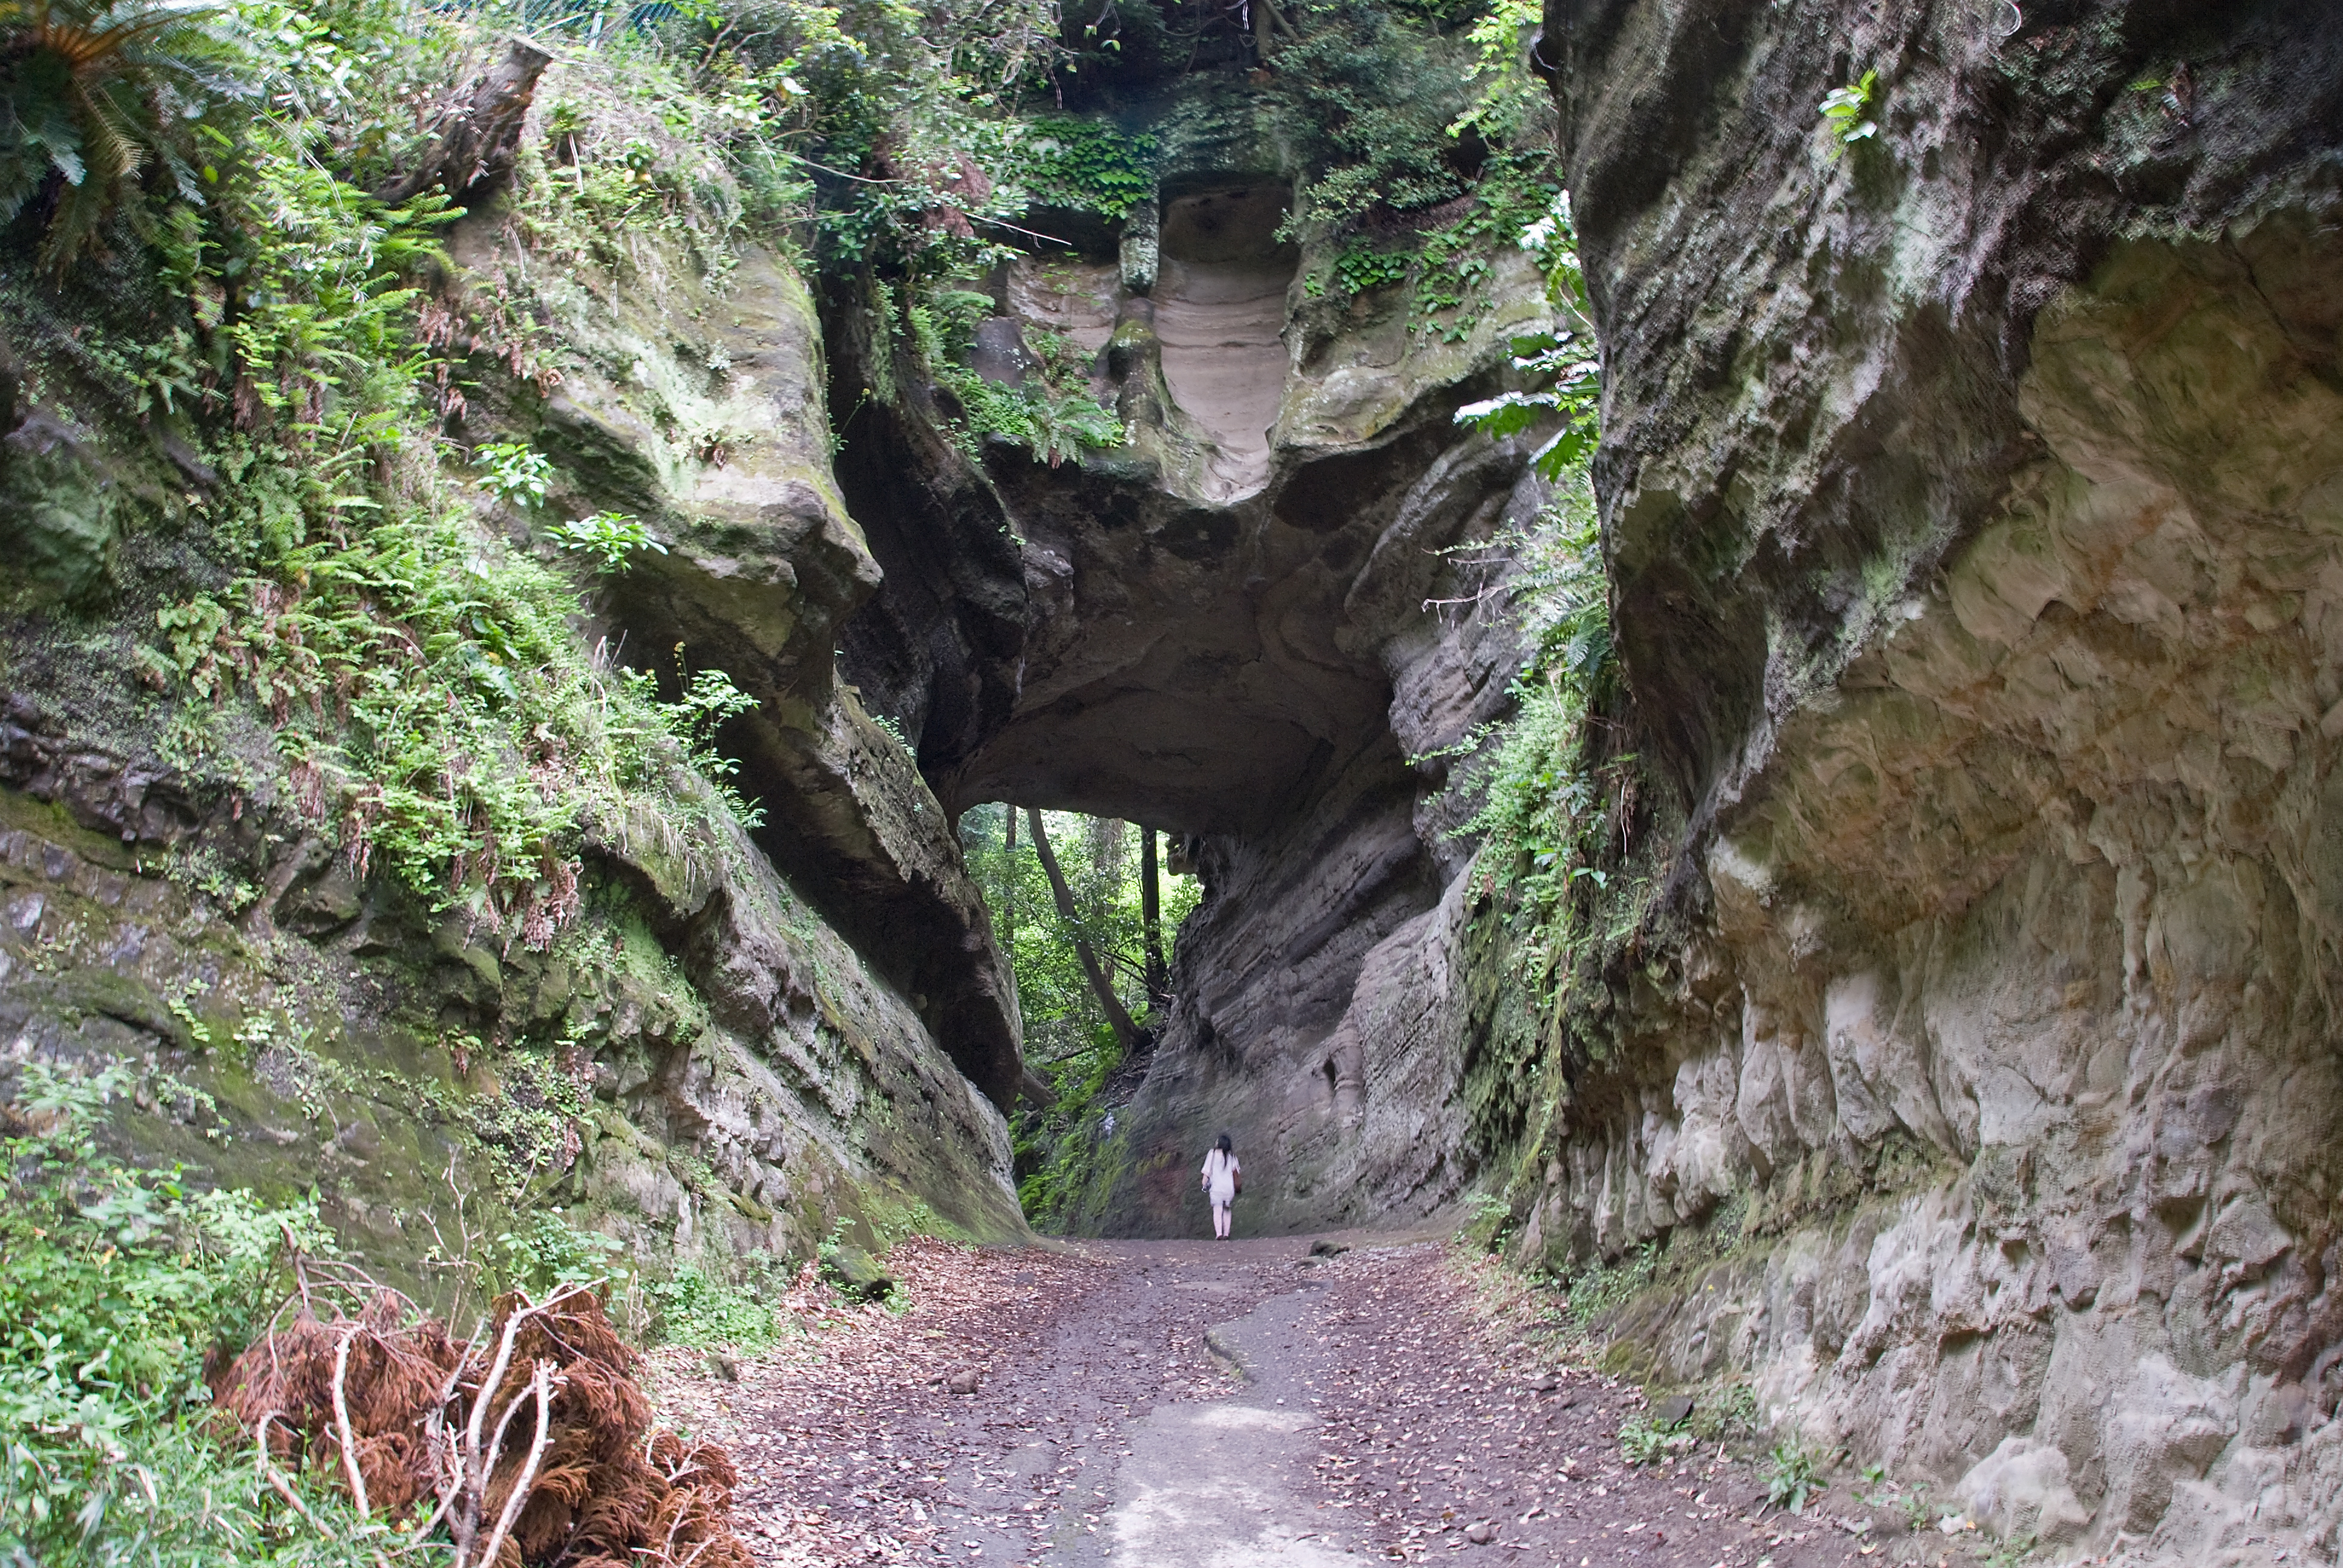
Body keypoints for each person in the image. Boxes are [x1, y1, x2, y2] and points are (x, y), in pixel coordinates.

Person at [1201, 1133, 1240, 1240]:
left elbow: (1207, 1172)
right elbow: (1236, 1171)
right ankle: (1227, 1233)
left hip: (1217, 1188)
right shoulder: (1232, 1156)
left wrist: (1204, 1183)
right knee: (1227, 1209)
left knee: (1218, 1211)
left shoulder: (1212, 1153)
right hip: (1229, 1189)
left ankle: (1219, 1234)